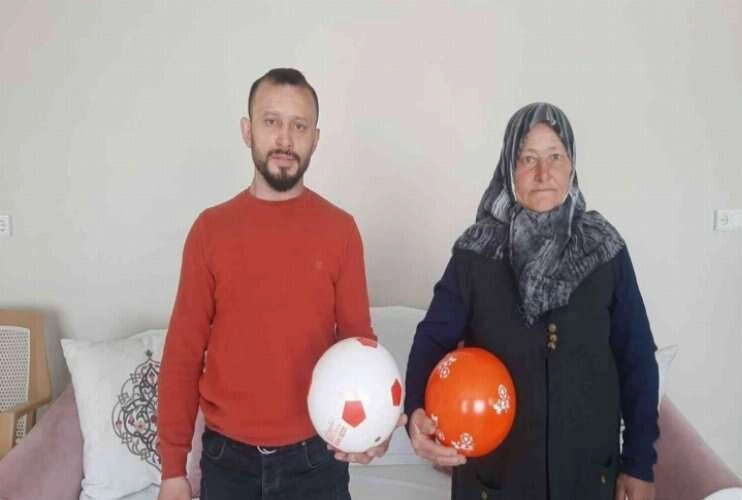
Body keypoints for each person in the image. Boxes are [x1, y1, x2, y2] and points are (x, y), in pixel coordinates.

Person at [157, 68, 402, 500]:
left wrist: (374, 427)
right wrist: (172, 470)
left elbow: (359, 346)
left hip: (315, 462)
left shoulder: (341, 231)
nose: (285, 139)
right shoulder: (210, 231)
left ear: (315, 139)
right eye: (272, 122)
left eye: (299, 126)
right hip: (227, 464)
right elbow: (182, 355)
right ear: (247, 130)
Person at [405, 102, 659, 500]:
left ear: (571, 165)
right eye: (528, 158)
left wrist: (640, 462)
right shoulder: (475, 253)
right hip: (495, 478)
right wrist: (416, 411)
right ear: (509, 167)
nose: (543, 173)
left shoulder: (605, 250)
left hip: (587, 475)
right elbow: (432, 339)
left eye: (555, 156)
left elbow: (637, 357)